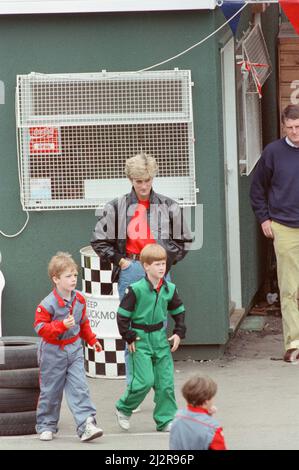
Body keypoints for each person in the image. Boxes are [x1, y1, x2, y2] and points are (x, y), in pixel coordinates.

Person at [115, 244, 186, 432]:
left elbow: (178, 311)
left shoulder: (169, 288)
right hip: (140, 340)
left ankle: (165, 420)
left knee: (165, 383)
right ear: (145, 266)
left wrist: (179, 332)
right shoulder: (135, 289)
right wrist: (128, 337)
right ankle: (124, 408)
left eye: (163, 264)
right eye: (156, 264)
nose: (161, 268)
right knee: (144, 381)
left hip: (160, 339)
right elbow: (122, 316)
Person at [34, 252, 104, 442]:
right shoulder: (47, 304)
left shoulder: (80, 299)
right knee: (51, 390)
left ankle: (87, 424)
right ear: (55, 279)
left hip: (74, 349)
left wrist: (92, 340)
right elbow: (40, 328)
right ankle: (46, 425)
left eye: (75, 275)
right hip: (52, 352)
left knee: (80, 387)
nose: (73, 279)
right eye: (68, 276)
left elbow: (84, 323)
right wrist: (61, 326)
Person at [250, 104, 299, 363]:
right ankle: (294, 343)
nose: (294, 132)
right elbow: (257, 188)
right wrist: (264, 218)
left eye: (298, 126)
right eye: (290, 127)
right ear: (283, 126)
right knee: (290, 288)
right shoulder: (273, 152)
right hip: (284, 225)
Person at [169, 375, 227, 450]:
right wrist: (207, 418)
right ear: (206, 401)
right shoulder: (213, 429)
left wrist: (206, 415)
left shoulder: (177, 417)